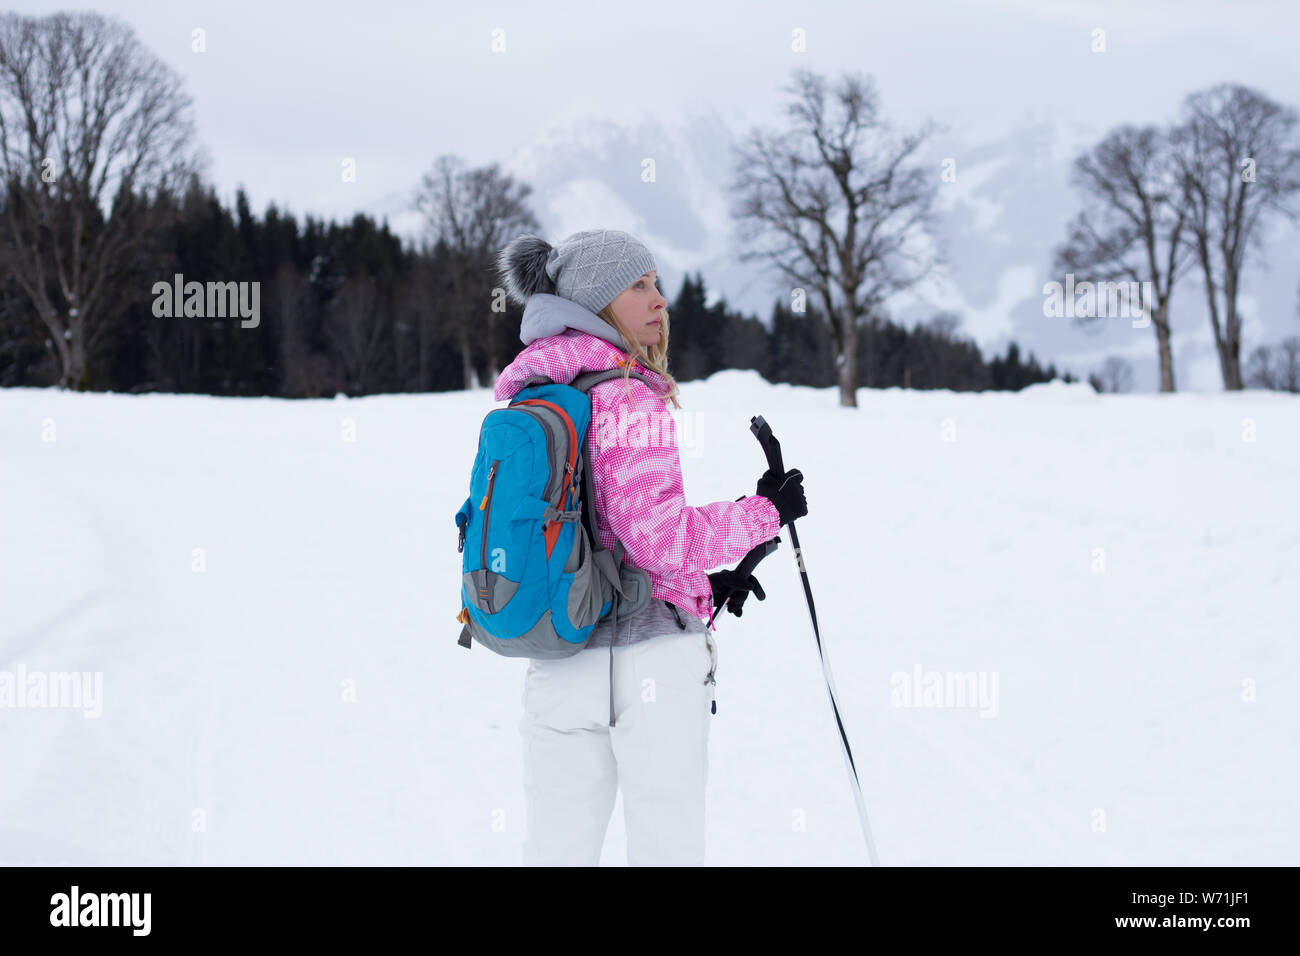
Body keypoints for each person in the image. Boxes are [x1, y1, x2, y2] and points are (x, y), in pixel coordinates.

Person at [493, 229, 808, 866]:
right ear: (598, 302)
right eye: (638, 286)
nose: (659, 300)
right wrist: (764, 513)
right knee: (667, 851)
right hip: (651, 666)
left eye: (656, 283)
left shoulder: (534, 393)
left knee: (554, 855)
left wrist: (704, 585)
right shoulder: (629, 395)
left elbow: (589, 530)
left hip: (558, 657)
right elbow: (658, 539)